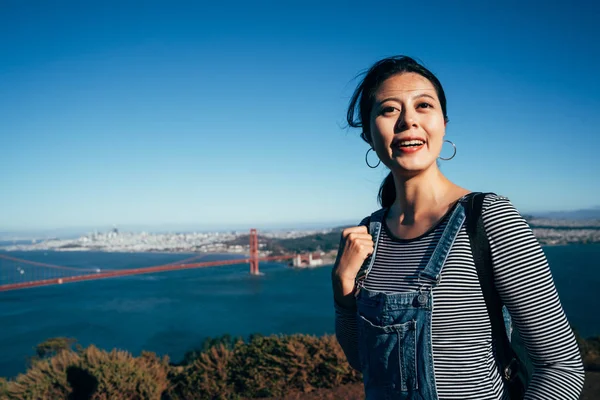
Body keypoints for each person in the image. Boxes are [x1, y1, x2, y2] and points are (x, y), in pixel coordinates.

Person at [331, 56, 585, 399]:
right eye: (389, 110)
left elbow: (561, 370)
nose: (408, 121)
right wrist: (343, 290)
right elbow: (366, 362)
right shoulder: (367, 235)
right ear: (368, 134)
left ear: (444, 124)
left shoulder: (487, 218)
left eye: (423, 105)